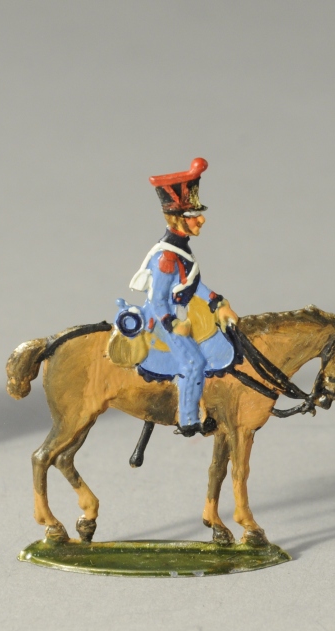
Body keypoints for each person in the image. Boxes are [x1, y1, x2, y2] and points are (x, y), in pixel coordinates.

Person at [128, 158, 239, 436]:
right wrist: (172, 323)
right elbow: (157, 300)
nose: (201, 219)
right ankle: (188, 420)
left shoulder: (181, 251)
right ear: (177, 219)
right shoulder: (167, 257)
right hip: (162, 319)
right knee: (193, 363)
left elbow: (193, 284)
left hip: (181, 313)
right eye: (193, 215)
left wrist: (217, 303)